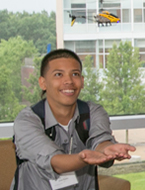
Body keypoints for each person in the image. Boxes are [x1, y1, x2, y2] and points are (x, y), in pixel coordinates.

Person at [10, 49, 136, 190]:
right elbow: (55, 162)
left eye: (75, 74)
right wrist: (82, 158)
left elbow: (100, 141)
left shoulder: (93, 112)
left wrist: (107, 149)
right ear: (43, 83)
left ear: (82, 81)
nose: (69, 81)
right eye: (58, 74)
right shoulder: (27, 120)